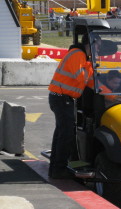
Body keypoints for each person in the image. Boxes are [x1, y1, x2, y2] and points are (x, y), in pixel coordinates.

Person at [48, 34, 99, 179]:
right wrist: (90, 66)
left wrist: (111, 94)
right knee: (66, 135)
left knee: (61, 133)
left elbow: (89, 82)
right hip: (62, 98)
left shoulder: (81, 57)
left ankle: (55, 168)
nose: (99, 50)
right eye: (98, 46)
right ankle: (59, 169)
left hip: (62, 98)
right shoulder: (78, 55)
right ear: (91, 45)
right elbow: (81, 77)